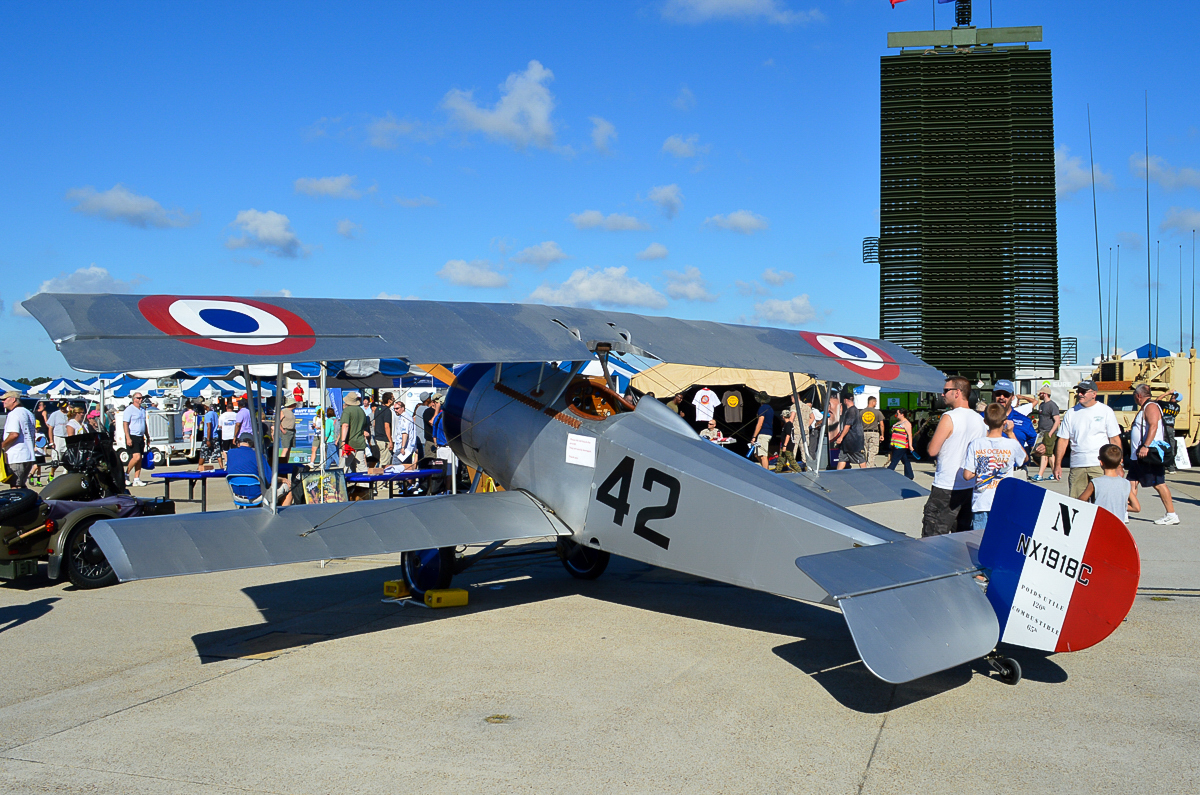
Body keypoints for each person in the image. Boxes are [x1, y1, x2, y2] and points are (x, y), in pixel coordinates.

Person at [922, 376, 987, 536]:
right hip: (969, 486)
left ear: (957, 392)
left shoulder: (949, 417)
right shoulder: (980, 420)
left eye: (945, 391)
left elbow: (932, 451)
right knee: (961, 537)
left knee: (932, 536)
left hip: (946, 486)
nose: (942, 395)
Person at [962, 403, 1026, 530]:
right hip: (1003, 502)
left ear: (985, 421)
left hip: (981, 502)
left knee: (979, 542)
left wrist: (980, 471)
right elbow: (1023, 459)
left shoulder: (976, 444)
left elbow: (967, 475)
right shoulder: (1012, 444)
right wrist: (1011, 434)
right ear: (1004, 421)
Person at [1053, 380, 1121, 499]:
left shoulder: (1106, 411)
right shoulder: (1071, 413)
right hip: (1078, 465)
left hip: (1100, 465)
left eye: (1083, 392)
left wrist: (1119, 465)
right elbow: (1063, 440)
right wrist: (1057, 464)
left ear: (1094, 394)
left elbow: (1114, 439)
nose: (1080, 394)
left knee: (1101, 502)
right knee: (1077, 503)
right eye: (1079, 391)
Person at [1128, 383, 1178, 525]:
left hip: (1148, 455)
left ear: (1138, 396)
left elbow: (1154, 426)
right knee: (1131, 483)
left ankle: (1171, 514)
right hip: (1137, 456)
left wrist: (1146, 446)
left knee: (1159, 483)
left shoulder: (1151, 407)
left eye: (1134, 396)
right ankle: (1125, 511)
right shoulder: (1146, 407)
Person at [225, 433, 293, 506]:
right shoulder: (257, 455)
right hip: (256, 496)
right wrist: (283, 479)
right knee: (289, 488)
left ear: (238, 443)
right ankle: (282, 516)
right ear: (253, 444)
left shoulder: (230, 453)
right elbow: (270, 478)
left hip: (237, 495)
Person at [1080, 444, 1140, 523]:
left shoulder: (1095, 482)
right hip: (1118, 526)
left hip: (1100, 524)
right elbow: (1136, 508)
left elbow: (1081, 500)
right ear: (1120, 461)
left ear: (1101, 462)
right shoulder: (1126, 483)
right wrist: (1120, 506)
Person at [990, 380, 1035, 463]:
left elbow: (1034, 447)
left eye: (1006, 395)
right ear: (994, 395)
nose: (1001, 397)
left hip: (1016, 471)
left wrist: (1040, 450)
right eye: (998, 394)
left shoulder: (1024, 420)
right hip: (990, 472)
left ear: (1012, 397)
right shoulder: (983, 417)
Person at [2, 391, 37, 489]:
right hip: (28, 455)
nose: (3, 402)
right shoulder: (29, 413)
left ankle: (21, 503)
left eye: (5, 399)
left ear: (13, 399)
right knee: (21, 484)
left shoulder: (14, 414)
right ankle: (30, 501)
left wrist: (2, 445)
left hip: (17, 455)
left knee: (15, 486)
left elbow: (14, 434)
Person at [1030, 385, 1062, 482]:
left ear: (1045, 394)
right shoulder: (1042, 405)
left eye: (1040, 393)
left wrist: (1051, 433)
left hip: (1049, 432)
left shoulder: (1052, 405)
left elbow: (1057, 420)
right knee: (1049, 453)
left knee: (1044, 452)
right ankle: (1054, 473)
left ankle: (1040, 475)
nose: (1039, 395)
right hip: (1041, 432)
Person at [339, 391, 372, 474]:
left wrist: (343, 440)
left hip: (348, 444)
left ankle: (340, 486)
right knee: (361, 466)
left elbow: (345, 425)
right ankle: (365, 485)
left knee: (343, 466)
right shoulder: (362, 411)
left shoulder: (347, 411)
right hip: (360, 442)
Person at [833, 392, 865, 470]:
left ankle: (866, 473)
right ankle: (838, 474)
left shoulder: (852, 410)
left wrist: (840, 437)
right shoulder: (852, 410)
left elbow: (848, 425)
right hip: (847, 442)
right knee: (842, 457)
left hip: (853, 440)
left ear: (846, 400)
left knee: (860, 458)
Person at [122, 392, 148, 487]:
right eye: (139, 398)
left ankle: (137, 478)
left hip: (141, 436)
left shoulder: (142, 410)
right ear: (134, 399)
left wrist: (147, 436)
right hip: (133, 435)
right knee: (136, 457)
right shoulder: (129, 409)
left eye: (142, 398)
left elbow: (144, 423)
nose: (141, 399)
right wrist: (128, 437)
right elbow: (125, 424)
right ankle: (126, 474)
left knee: (140, 458)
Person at [885, 407, 915, 479]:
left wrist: (910, 445)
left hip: (901, 445)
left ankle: (888, 473)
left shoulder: (906, 423)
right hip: (895, 444)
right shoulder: (898, 422)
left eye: (897, 413)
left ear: (902, 414)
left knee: (894, 460)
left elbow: (909, 434)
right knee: (905, 460)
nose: (896, 415)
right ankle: (909, 475)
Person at [392, 400, 420, 469]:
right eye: (394, 409)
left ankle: (398, 480)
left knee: (396, 467)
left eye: (397, 408)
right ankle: (406, 479)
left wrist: (402, 447)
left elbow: (405, 433)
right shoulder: (404, 417)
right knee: (406, 467)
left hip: (403, 448)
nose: (395, 410)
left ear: (403, 408)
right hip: (408, 448)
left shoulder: (405, 418)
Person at [751, 391, 774, 469]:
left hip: (763, 433)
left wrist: (754, 436)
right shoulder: (771, 409)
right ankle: (764, 469)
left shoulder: (762, 408)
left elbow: (760, 423)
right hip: (769, 433)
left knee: (763, 455)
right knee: (756, 454)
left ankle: (767, 472)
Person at [775, 408, 802, 473]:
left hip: (787, 445)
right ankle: (777, 471)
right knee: (781, 459)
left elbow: (788, 435)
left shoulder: (788, 424)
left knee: (791, 459)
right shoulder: (787, 424)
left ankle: (799, 471)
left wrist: (784, 445)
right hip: (787, 445)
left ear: (783, 416)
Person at [47, 401, 69, 477]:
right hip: (58, 438)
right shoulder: (55, 414)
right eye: (61, 407)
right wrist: (51, 441)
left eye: (63, 406)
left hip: (67, 438)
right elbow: (50, 428)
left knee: (68, 458)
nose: (62, 408)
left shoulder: (70, 414)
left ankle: (64, 475)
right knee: (56, 459)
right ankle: (51, 473)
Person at [374, 392, 394, 468]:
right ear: (389, 400)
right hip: (384, 439)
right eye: (393, 398)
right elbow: (387, 426)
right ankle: (380, 480)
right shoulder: (387, 411)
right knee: (385, 463)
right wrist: (390, 441)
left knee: (381, 460)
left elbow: (374, 424)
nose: (394, 400)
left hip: (377, 438)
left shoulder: (377, 409)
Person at [861, 396, 883, 467]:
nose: (876, 403)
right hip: (874, 433)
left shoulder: (861, 412)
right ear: (873, 402)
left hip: (864, 433)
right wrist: (882, 435)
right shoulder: (877, 412)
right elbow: (881, 424)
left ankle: (865, 466)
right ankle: (869, 467)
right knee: (872, 452)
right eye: (875, 402)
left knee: (865, 452)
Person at [278, 396, 298, 464]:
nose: (296, 405)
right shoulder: (283, 411)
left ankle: (286, 463)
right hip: (286, 431)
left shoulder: (291, 412)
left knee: (289, 449)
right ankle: (281, 464)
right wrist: (282, 430)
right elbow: (278, 421)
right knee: (285, 449)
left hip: (292, 431)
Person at [218, 401, 239, 466]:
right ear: (233, 408)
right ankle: (233, 461)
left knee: (225, 450)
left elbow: (220, 426)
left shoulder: (222, 415)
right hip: (234, 435)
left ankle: (227, 462)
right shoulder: (236, 415)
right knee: (234, 450)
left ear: (226, 407)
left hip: (225, 435)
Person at [417, 392, 436, 458]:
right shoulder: (426, 410)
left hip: (418, 437)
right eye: (429, 397)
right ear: (427, 399)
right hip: (424, 439)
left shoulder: (418, 408)